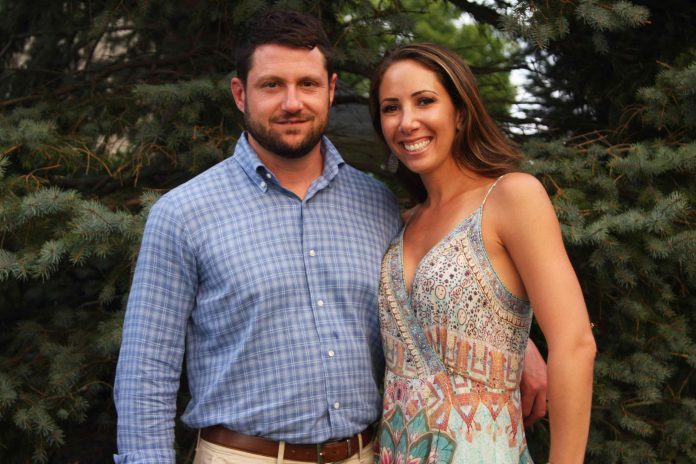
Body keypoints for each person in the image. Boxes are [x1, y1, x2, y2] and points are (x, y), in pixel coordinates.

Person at [113, 11, 548, 464]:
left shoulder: (376, 203)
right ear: (240, 94)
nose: (292, 103)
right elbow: (147, 371)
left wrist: (518, 344)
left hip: (366, 454)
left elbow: (430, 295)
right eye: (271, 85)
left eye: (308, 84)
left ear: (331, 90)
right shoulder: (184, 215)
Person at [368, 43, 596, 463]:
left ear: (460, 112)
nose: (407, 122)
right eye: (390, 108)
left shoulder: (511, 198)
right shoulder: (403, 222)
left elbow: (575, 344)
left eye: (424, 101)